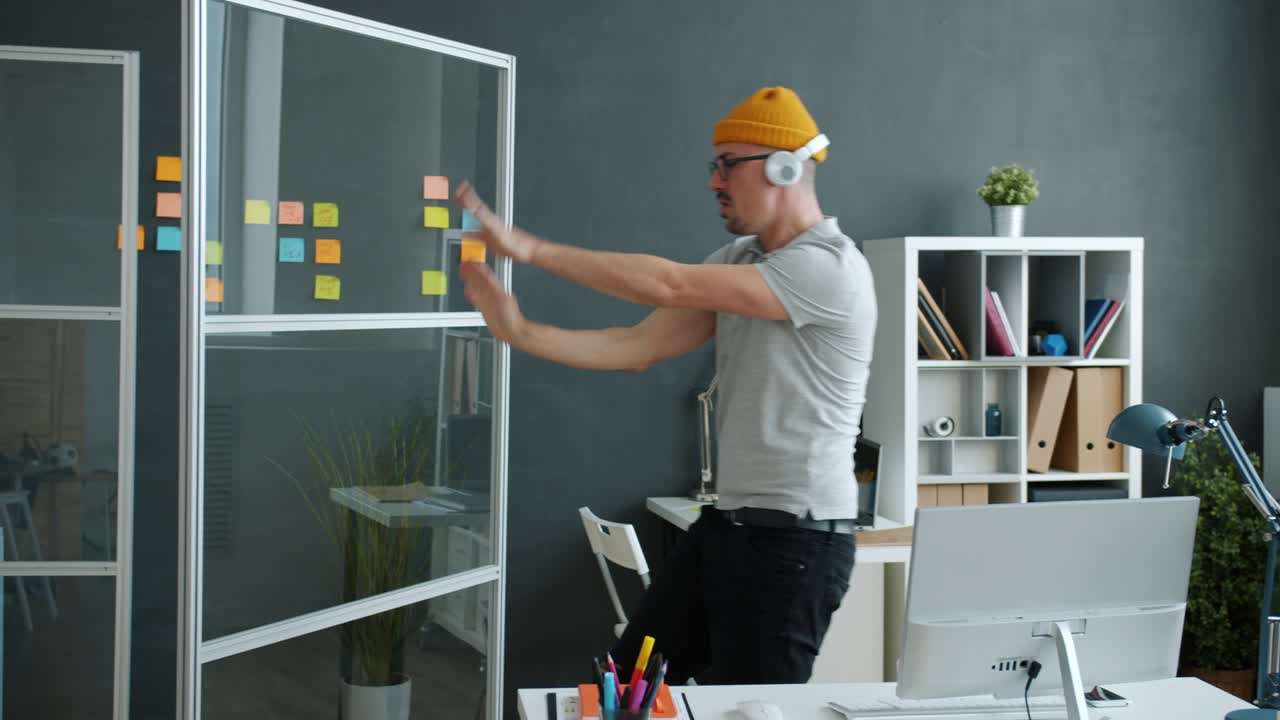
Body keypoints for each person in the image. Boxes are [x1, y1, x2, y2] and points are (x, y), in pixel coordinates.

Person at [454, 86, 876, 685]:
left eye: (728, 164)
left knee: (743, 708)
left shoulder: (830, 267)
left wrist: (528, 248)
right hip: (727, 527)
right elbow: (638, 347)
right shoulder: (737, 260)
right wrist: (520, 332)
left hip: (795, 546)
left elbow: (669, 285)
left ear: (785, 167)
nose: (714, 181)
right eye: (714, 165)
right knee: (629, 687)